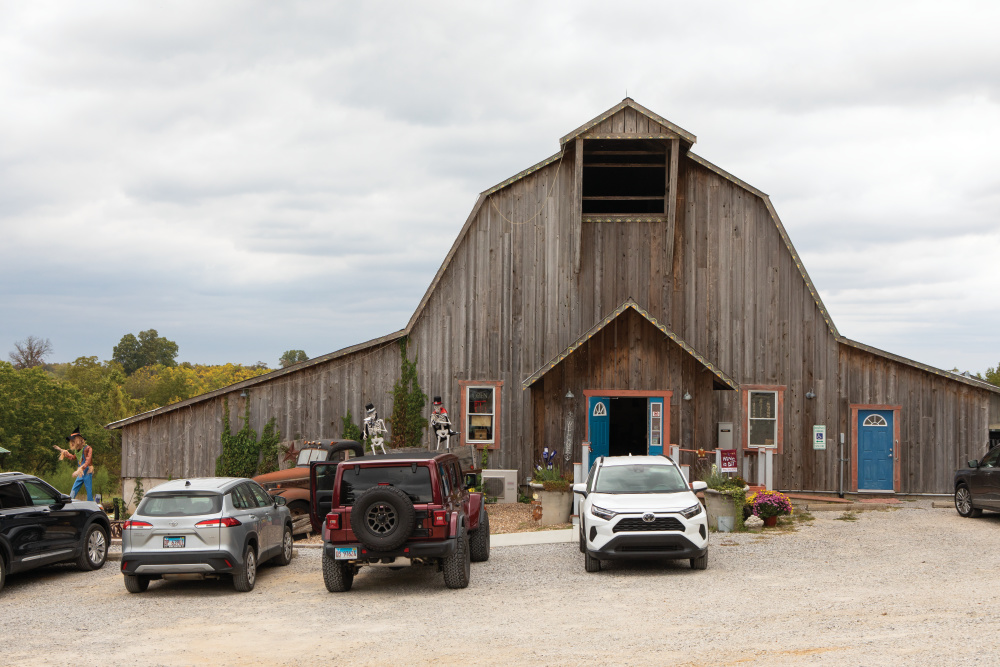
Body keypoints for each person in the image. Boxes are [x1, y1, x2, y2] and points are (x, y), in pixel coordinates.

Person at [52, 426, 94, 501]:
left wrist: (80, 469)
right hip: (80, 473)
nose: (72, 443)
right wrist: (63, 452)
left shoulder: (88, 448)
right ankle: (69, 502)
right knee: (74, 489)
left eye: (73, 441)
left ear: (78, 440)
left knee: (89, 491)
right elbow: (73, 457)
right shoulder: (77, 451)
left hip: (87, 472)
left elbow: (87, 461)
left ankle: (91, 505)